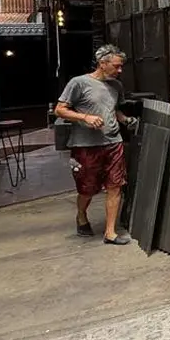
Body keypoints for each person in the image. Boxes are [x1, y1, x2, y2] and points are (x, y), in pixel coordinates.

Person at [54, 44, 137, 245]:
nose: (120, 70)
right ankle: (81, 215)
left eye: (121, 66)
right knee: (87, 189)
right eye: (116, 66)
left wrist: (125, 120)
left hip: (113, 142)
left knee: (115, 186)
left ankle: (110, 232)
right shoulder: (79, 83)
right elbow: (60, 110)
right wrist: (85, 117)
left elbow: (113, 110)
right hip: (86, 145)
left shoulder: (116, 86)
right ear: (102, 63)